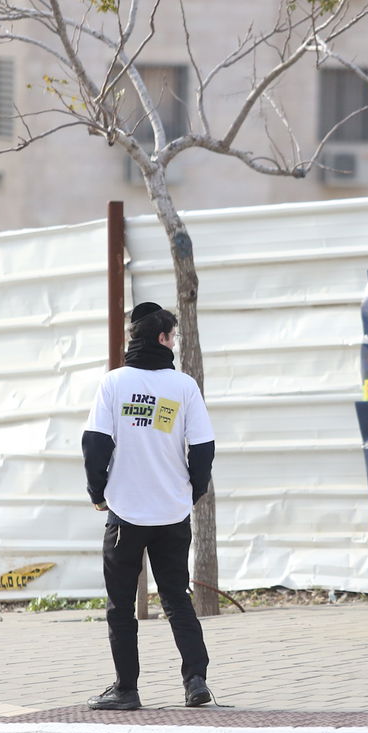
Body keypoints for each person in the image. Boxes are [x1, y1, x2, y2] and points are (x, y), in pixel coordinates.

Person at [82, 302, 216, 711]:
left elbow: (95, 443)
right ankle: (195, 681)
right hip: (172, 512)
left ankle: (127, 689)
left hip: (126, 512)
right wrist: (190, 492)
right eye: (173, 336)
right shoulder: (184, 387)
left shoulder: (114, 384)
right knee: (177, 597)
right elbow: (204, 448)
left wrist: (98, 492)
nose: (174, 342)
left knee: (121, 604)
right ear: (162, 338)